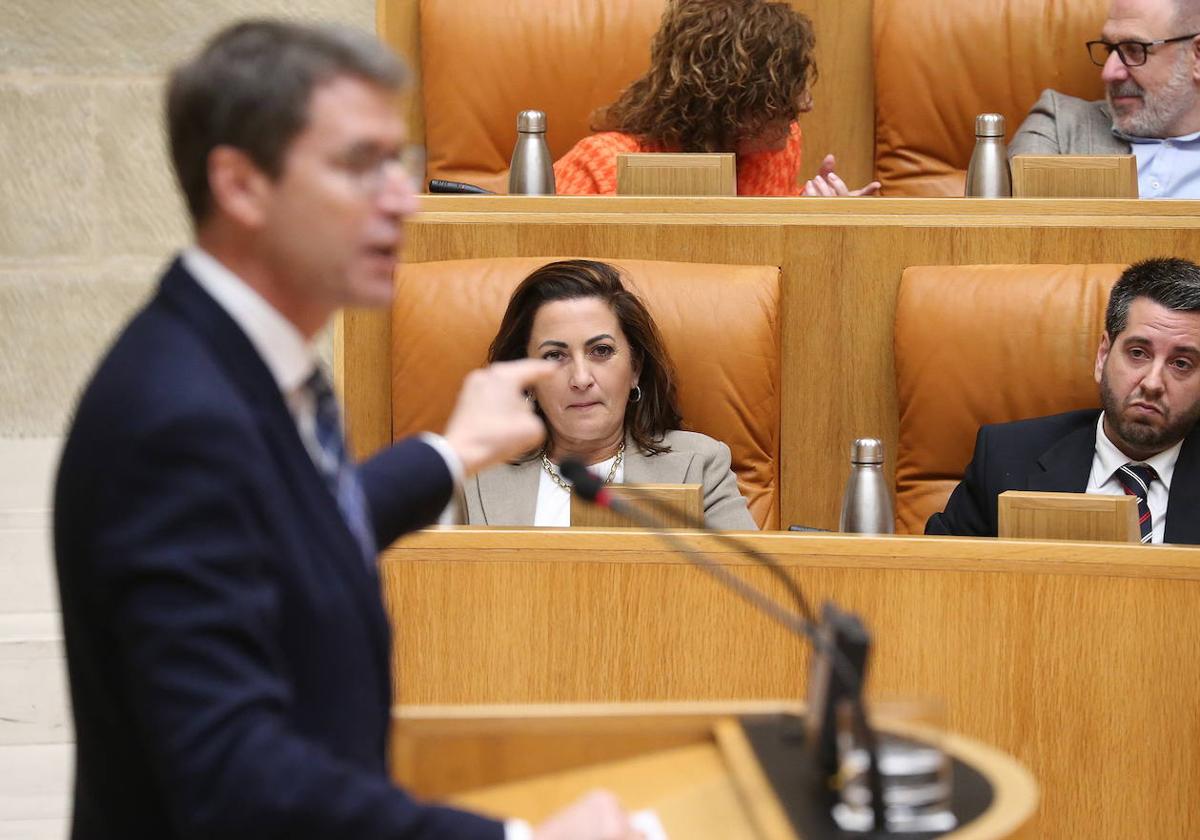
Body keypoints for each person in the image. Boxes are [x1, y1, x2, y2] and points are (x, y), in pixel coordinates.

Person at [53, 20, 640, 840]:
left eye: (398, 163)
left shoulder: (248, 355)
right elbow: (236, 774)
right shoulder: (174, 418)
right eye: (359, 166)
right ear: (242, 186)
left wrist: (451, 454)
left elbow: (291, 534)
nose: (402, 196)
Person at [459, 259, 758, 530]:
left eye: (600, 351)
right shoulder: (474, 477)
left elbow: (749, 579)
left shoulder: (699, 466)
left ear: (635, 369)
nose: (580, 378)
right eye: (554, 356)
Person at [926, 257, 1200, 544]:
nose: (1153, 383)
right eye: (1138, 353)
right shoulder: (1005, 459)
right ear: (1103, 356)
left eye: (1181, 363)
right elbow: (938, 575)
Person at [553, 0, 880, 197]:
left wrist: (821, 221)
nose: (806, 103)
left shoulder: (778, 147)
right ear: (727, 102)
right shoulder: (601, 166)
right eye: (778, 92)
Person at [1009, 0, 1200, 198]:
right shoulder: (1060, 125)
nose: (1109, 73)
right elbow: (1023, 224)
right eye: (1109, 49)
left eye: (1135, 49)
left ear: (1197, 55)